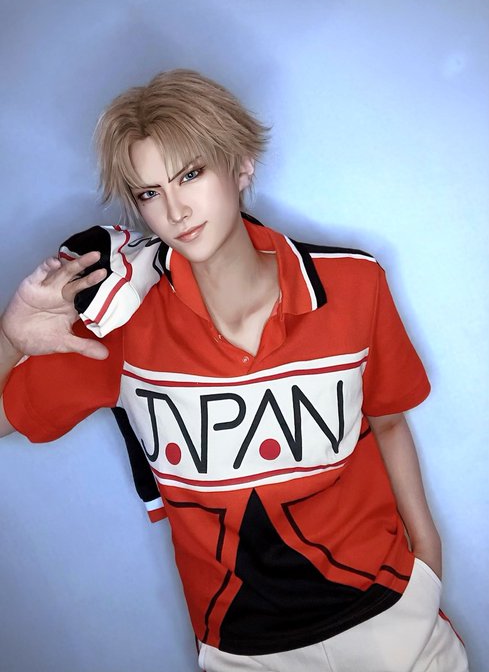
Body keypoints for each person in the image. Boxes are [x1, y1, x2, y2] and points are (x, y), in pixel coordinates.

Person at [0, 69, 469, 671]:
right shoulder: (122, 329)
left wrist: (427, 557)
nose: (175, 209)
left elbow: (390, 419)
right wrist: (11, 337)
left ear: (241, 166)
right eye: (149, 193)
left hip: (395, 615)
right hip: (245, 649)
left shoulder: (354, 285)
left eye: (190, 174)